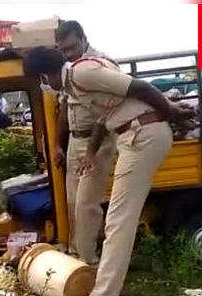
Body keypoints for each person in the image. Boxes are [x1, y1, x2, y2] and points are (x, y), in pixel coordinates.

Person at [23, 47, 195, 296]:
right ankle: (103, 290)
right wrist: (90, 153)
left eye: (42, 81)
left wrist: (170, 110)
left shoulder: (83, 73)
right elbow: (104, 119)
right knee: (117, 217)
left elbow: (139, 87)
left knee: (118, 219)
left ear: (46, 75)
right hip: (133, 136)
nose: (45, 87)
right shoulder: (75, 85)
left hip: (142, 135)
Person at [55, 20, 118, 264]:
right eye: (63, 51)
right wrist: (58, 145)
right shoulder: (67, 69)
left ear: (83, 39)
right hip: (74, 141)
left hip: (98, 141)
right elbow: (63, 109)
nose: (68, 54)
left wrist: (92, 151)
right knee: (72, 202)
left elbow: (106, 113)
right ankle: (75, 254)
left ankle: (89, 261)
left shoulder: (99, 64)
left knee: (86, 204)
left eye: (71, 48)